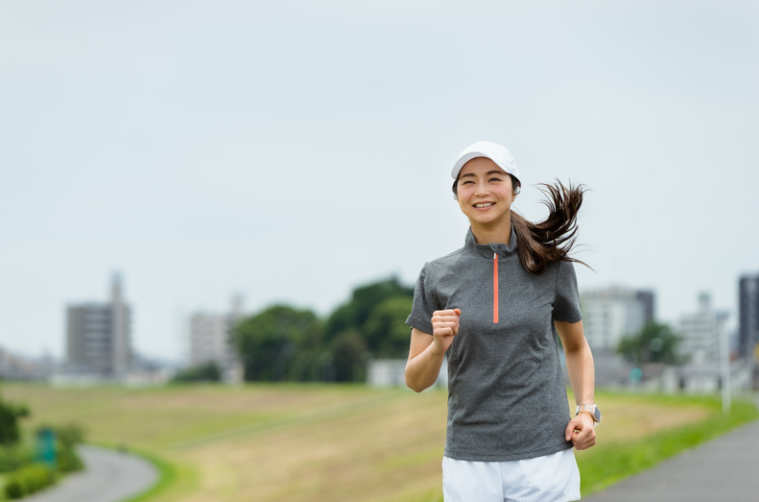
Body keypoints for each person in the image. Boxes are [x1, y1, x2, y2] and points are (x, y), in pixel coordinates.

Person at [405, 140, 599, 502]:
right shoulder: (436, 275)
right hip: (469, 463)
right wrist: (437, 348)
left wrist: (587, 411)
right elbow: (416, 380)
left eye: (494, 179)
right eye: (468, 181)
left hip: (545, 458)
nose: (481, 190)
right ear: (457, 195)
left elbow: (575, 347)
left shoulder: (551, 267)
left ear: (514, 189)